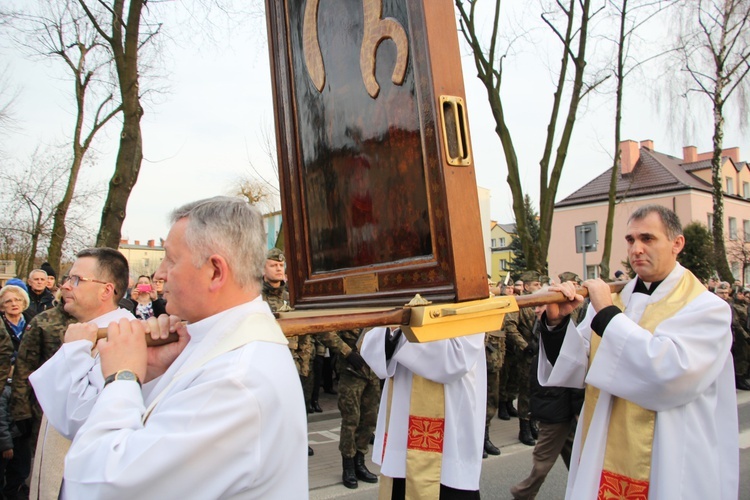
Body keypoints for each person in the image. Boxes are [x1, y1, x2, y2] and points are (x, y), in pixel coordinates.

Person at [42, 196, 307, 498]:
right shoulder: (215, 341)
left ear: (215, 271)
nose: (159, 274)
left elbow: (103, 483)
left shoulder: (235, 380)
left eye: (170, 259)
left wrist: (122, 377)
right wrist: (151, 373)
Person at [539, 204, 738, 499]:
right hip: (605, 446)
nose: (637, 249)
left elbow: (668, 375)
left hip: (670, 455)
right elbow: (582, 364)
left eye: (648, 239)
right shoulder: (616, 300)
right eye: (631, 240)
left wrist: (607, 314)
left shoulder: (707, 308)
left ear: (677, 243)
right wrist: (557, 325)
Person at [21, 248, 135, 499]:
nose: (64, 287)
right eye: (66, 279)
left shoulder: (125, 338)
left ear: (106, 290)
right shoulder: (86, 331)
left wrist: (74, 351)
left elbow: (83, 418)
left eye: (76, 280)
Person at [361, 326, 485, 499]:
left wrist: (405, 330)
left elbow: (455, 359)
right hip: (401, 432)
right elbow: (369, 344)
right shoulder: (400, 299)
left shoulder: (472, 299)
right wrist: (393, 331)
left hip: (449, 437)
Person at [510, 295, 584, 499]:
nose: (536, 310)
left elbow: (574, 375)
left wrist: (578, 410)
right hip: (551, 407)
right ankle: (524, 492)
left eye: (541, 305)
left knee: (550, 459)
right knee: (558, 458)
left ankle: (524, 492)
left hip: (558, 408)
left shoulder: (564, 331)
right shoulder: (541, 330)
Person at [503, 270, 542, 446]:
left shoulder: (542, 301)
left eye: (540, 285)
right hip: (526, 354)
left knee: (537, 391)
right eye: (536, 285)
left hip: (541, 352)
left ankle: (534, 423)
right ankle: (524, 428)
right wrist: (524, 345)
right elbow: (510, 327)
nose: (539, 287)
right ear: (526, 287)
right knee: (525, 392)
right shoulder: (519, 303)